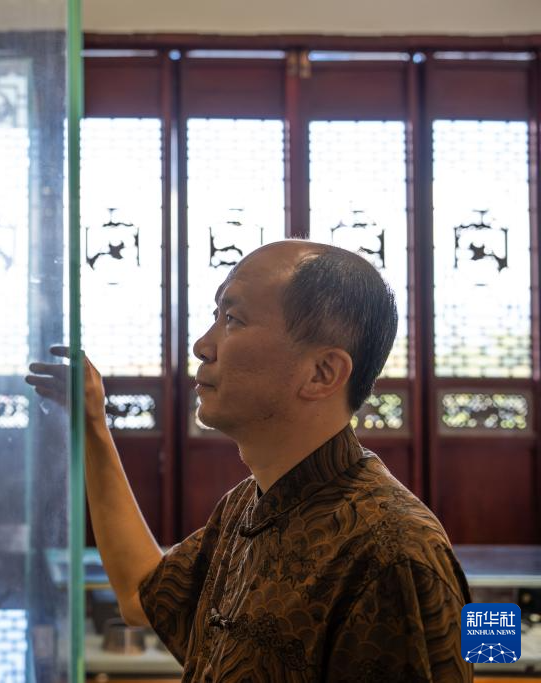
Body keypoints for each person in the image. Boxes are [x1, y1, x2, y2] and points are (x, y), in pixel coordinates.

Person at [27, 240, 472, 681]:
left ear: (322, 373)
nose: (203, 345)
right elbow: (142, 596)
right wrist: (93, 424)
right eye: (215, 316)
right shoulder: (247, 504)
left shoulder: (394, 551)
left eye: (233, 320)